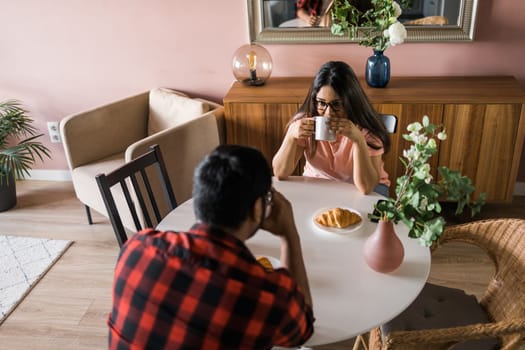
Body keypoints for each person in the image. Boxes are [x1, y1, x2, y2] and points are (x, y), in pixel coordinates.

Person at [108, 145, 314, 349]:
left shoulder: (136, 248)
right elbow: (301, 331)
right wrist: (289, 235)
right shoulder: (263, 297)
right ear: (257, 208)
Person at [272, 61, 391, 196]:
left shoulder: (367, 130)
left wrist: (358, 139)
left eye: (337, 104)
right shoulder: (306, 122)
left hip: (364, 189)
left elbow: (366, 188)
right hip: (318, 184)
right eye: (322, 103)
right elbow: (280, 173)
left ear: (350, 101)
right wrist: (291, 136)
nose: (328, 113)